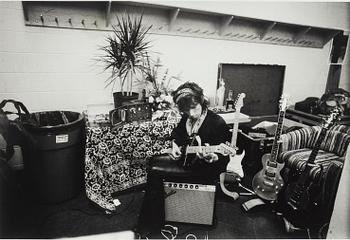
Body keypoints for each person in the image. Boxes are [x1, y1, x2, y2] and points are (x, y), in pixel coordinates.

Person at [136, 82, 232, 238]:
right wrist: (174, 144)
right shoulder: (187, 118)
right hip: (187, 161)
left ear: (202, 102)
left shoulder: (217, 123)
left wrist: (213, 157)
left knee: (155, 173)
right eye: (186, 110)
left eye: (194, 108)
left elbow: (224, 158)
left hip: (204, 170)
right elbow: (178, 133)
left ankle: (150, 226)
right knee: (154, 163)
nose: (191, 114)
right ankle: (155, 217)